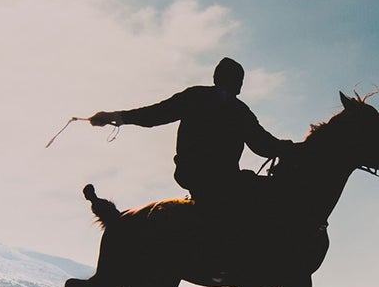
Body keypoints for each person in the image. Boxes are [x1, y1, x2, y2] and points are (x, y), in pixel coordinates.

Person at [90, 58, 294, 218]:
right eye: (239, 80)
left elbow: (154, 115)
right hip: (209, 177)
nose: (240, 85)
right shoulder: (234, 110)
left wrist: (116, 117)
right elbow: (263, 144)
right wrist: (290, 149)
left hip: (205, 176)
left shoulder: (203, 99)